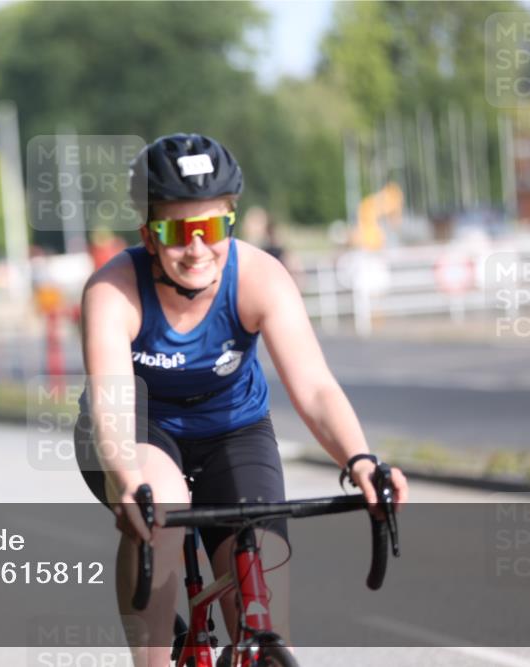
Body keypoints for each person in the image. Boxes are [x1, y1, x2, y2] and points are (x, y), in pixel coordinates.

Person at [74, 133, 409, 665]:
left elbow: (315, 386)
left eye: (211, 229)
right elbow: (111, 407)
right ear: (148, 235)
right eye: (177, 232)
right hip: (137, 429)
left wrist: (360, 460)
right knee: (160, 507)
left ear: (230, 223)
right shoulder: (113, 291)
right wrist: (128, 481)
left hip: (232, 430)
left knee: (260, 602)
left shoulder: (259, 278)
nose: (197, 249)